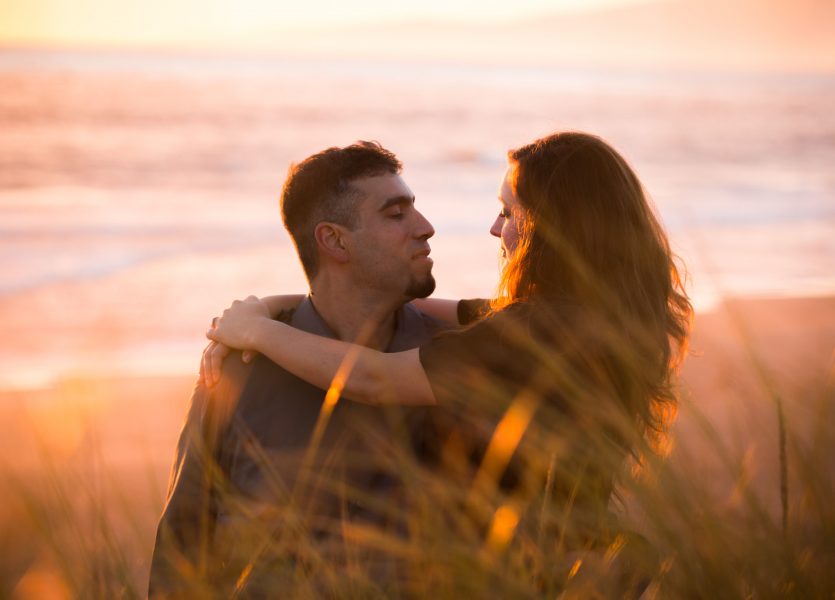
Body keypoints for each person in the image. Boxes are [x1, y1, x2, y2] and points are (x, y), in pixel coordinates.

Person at [206, 131, 693, 595]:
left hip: (514, 571)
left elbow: (374, 380)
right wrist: (272, 306)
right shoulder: (587, 316)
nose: (495, 228)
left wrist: (258, 333)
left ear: (554, 225)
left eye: (508, 212)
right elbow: (422, 306)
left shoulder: (532, 329)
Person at [149, 141, 448, 597]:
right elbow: (185, 540)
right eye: (396, 214)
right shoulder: (240, 370)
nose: (425, 228)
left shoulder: (450, 363)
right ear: (333, 240)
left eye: (415, 210)